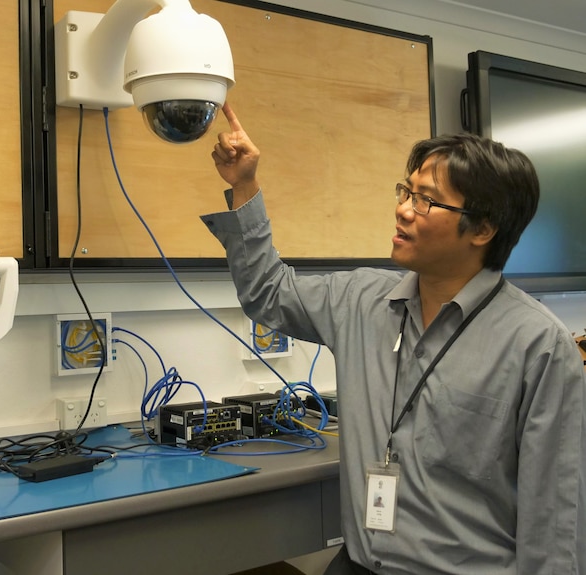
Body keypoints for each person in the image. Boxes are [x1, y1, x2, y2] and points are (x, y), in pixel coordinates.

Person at [201, 103, 586, 574]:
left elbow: (555, 518)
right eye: (406, 190)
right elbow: (268, 293)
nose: (403, 209)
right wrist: (244, 185)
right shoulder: (362, 299)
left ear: (483, 229)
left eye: (426, 199)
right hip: (359, 563)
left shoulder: (538, 346)